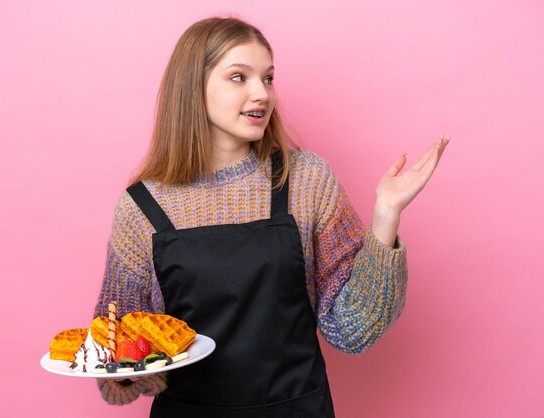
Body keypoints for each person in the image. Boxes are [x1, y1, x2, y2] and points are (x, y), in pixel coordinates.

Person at [93, 16, 449, 417]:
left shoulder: (306, 180)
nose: (261, 93)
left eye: (268, 78)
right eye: (239, 77)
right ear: (193, 87)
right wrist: (126, 371)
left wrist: (386, 216)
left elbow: (353, 331)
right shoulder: (141, 207)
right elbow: (114, 354)